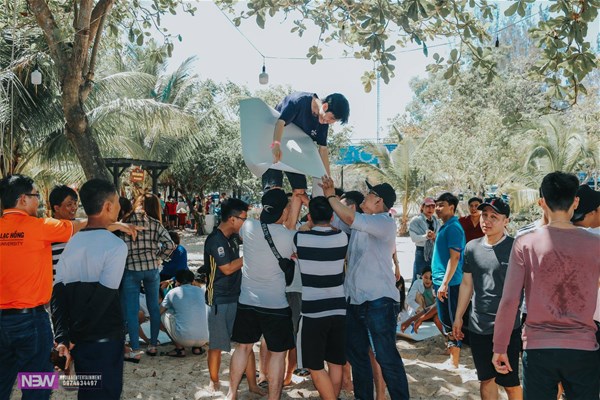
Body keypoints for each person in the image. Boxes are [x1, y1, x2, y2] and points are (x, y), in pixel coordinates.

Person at [492, 172, 600, 398]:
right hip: (583, 347)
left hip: (538, 347)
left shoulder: (525, 242)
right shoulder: (595, 244)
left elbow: (510, 300)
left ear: (542, 202)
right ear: (575, 202)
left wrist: (500, 347)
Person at [322, 176, 410, 400]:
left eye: (370, 194)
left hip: (379, 301)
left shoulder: (384, 222)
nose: (365, 195)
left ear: (379, 201)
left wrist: (331, 196)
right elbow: (336, 220)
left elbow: (349, 217)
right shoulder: (363, 222)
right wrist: (319, 198)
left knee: (386, 358)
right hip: (355, 300)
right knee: (358, 357)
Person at [0, 174, 84, 400]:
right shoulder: (40, 226)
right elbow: (78, 225)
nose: (39, 201)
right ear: (23, 199)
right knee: (38, 386)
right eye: (36, 195)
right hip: (31, 319)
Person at [52, 179, 128, 400]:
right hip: (104, 337)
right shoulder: (116, 245)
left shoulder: (72, 243)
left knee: (87, 392)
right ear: (108, 206)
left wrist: (63, 337)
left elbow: (58, 294)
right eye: (117, 202)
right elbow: (103, 298)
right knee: (107, 393)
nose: (119, 207)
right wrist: (73, 336)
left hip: (79, 340)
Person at [227, 189, 300, 400]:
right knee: (278, 353)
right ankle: (273, 397)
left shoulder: (248, 226)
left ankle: (231, 394)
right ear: (283, 211)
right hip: (276, 304)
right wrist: (296, 203)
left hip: (247, 300)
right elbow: (289, 233)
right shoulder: (290, 237)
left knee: (243, 348)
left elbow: (266, 225)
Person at [452, 198, 522, 400]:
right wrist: (459, 317)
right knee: (486, 379)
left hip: (508, 327)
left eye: (494, 217)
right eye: (484, 215)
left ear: (506, 221)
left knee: (510, 383)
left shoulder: (516, 248)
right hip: (478, 326)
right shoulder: (471, 247)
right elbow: (467, 284)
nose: (487, 220)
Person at [294, 196, 349, 400]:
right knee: (336, 362)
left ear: (310, 216)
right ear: (332, 216)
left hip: (313, 311)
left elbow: (302, 228)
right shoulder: (342, 237)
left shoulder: (300, 238)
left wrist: (309, 221)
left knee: (315, 366)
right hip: (338, 307)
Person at [203, 198, 260, 393]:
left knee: (245, 344)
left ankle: (252, 385)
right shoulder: (215, 240)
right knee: (216, 346)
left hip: (238, 296)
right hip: (218, 299)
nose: (246, 222)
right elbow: (227, 269)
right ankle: (214, 381)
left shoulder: (235, 236)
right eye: (244, 218)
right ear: (232, 219)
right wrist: (249, 256)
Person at [121, 194, 175, 361]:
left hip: (131, 269)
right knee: (153, 308)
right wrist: (159, 258)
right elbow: (170, 245)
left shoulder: (125, 222)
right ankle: (152, 345)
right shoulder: (155, 223)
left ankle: (135, 349)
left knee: (132, 310)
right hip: (152, 269)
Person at [263, 92, 350, 196]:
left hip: (293, 151)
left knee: (300, 191)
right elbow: (280, 123)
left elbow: (323, 150)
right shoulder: (299, 101)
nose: (330, 122)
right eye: (331, 118)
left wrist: (327, 177)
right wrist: (276, 145)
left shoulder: (323, 124)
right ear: (325, 106)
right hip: (273, 141)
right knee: (274, 191)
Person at [431, 192, 466, 368]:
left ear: (452, 207)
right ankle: (451, 353)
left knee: (452, 321)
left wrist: (444, 284)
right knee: (445, 318)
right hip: (441, 281)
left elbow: (455, 258)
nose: (437, 208)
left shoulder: (453, 228)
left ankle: (455, 362)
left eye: (441, 205)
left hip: (450, 283)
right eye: (436, 205)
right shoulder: (445, 226)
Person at [159, 269, 209, 357]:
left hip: (184, 339)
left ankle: (179, 349)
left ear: (177, 281)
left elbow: (160, 311)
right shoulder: (200, 291)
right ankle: (197, 348)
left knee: (163, 315)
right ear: (193, 280)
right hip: (204, 338)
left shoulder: (173, 292)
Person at [49, 185, 79, 282]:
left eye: (75, 203)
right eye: (69, 205)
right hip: (56, 286)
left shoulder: (81, 225)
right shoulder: (47, 229)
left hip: (79, 285)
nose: (74, 207)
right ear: (56, 208)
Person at [401, 268, 443, 335]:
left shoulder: (437, 285)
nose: (428, 280)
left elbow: (436, 306)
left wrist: (412, 320)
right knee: (418, 295)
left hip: (433, 311)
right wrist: (418, 308)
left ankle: (448, 337)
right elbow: (409, 299)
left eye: (430, 278)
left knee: (437, 317)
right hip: (423, 310)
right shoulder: (417, 283)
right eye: (425, 277)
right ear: (421, 276)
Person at [408, 197, 439, 283]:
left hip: (434, 252)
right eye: (428, 206)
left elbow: (439, 236)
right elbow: (414, 238)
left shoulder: (436, 221)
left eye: (433, 207)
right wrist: (426, 237)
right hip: (421, 252)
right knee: (418, 278)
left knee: (432, 278)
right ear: (422, 207)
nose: (430, 209)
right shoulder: (416, 221)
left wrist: (434, 237)